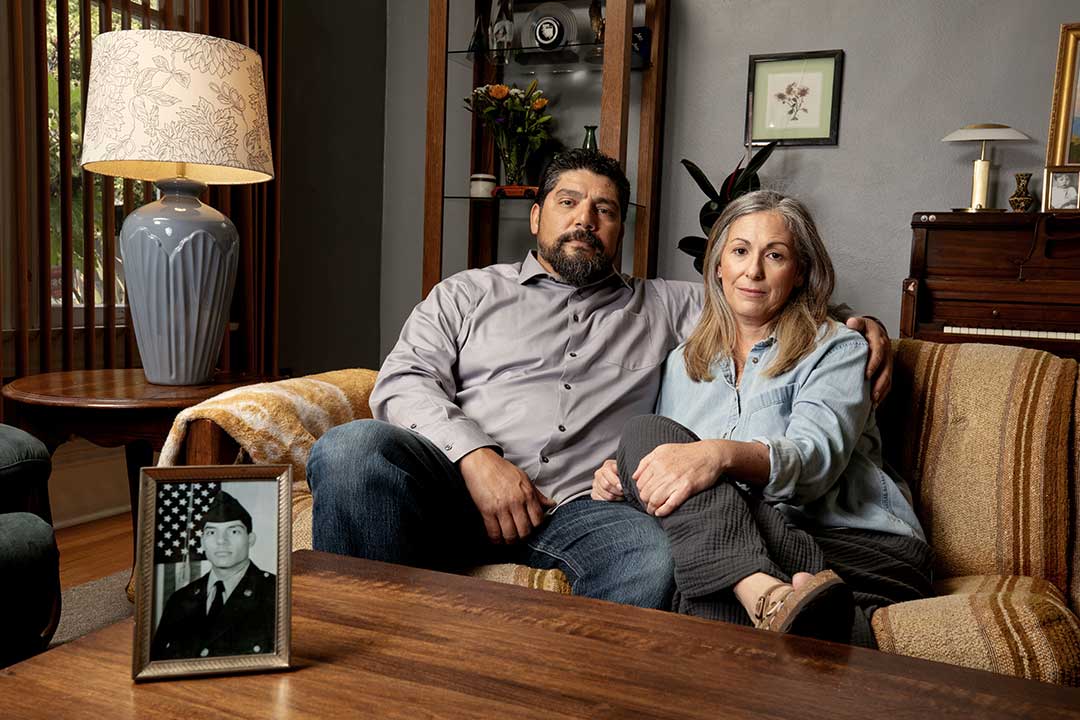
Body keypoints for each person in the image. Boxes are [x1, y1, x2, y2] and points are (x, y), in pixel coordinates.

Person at [307, 149, 893, 610]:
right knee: (351, 449)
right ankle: (369, 664)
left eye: (605, 210)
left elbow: (760, 295)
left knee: (654, 556)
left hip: (582, 508)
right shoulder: (467, 293)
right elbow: (402, 382)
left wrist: (857, 325)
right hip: (458, 486)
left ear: (619, 231)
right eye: (569, 202)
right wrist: (476, 459)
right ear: (537, 215)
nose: (586, 220)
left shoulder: (669, 306)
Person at [592, 190, 932, 645]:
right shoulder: (683, 361)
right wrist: (619, 480)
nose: (753, 271)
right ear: (717, 266)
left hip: (859, 546)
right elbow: (675, 479)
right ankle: (768, 594)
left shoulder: (838, 349)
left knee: (699, 566)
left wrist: (718, 455)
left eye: (775, 255)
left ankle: (757, 589)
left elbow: (813, 464)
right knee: (646, 440)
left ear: (800, 272)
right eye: (739, 251)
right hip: (760, 541)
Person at [150, 491, 276, 660]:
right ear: (202, 541)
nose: (221, 541)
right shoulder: (179, 600)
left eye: (233, 531)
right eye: (211, 532)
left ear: (250, 539)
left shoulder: (274, 592)